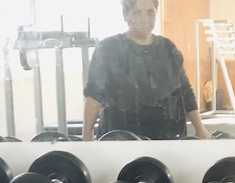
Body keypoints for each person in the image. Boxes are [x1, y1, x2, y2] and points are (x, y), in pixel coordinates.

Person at [82, 0, 212, 140]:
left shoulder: (168, 49)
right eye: (137, 13)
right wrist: (87, 135)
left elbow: (185, 91)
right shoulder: (108, 49)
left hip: (168, 138)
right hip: (120, 140)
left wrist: (200, 128)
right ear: (125, 15)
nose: (145, 19)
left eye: (150, 12)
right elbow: (94, 95)